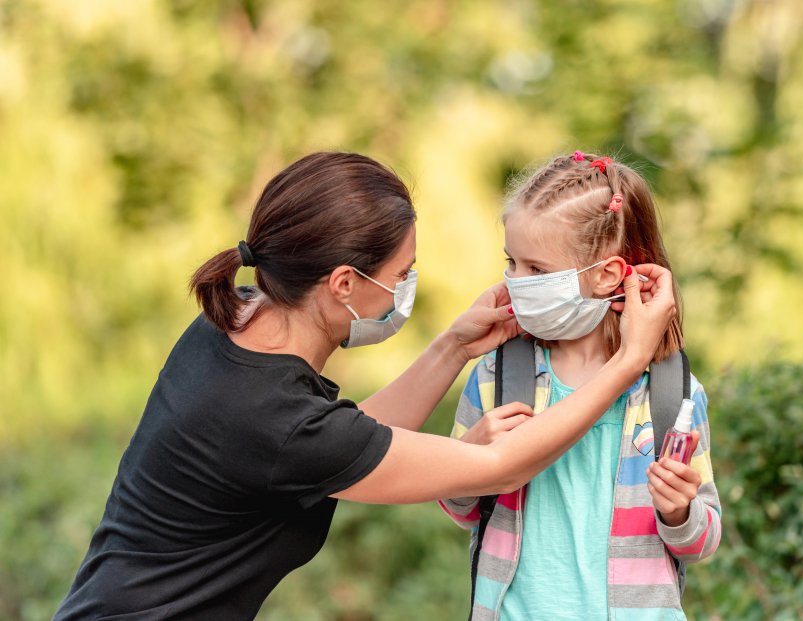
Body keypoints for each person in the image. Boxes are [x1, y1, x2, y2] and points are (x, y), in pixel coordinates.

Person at [53, 151, 676, 620]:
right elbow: (500, 469)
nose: (407, 286)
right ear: (345, 283)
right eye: (401, 273)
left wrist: (452, 346)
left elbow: (345, 444)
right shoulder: (276, 420)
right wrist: (630, 362)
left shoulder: (232, 324)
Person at [439, 152, 722, 620]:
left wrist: (679, 512)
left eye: (538, 270)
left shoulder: (673, 393)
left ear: (607, 274)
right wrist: (468, 459)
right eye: (512, 262)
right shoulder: (497, 376)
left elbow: (702, 540)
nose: (515, 282)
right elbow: (464, 510)